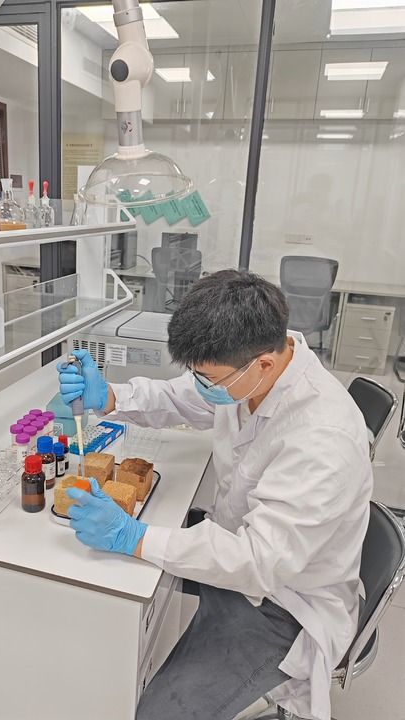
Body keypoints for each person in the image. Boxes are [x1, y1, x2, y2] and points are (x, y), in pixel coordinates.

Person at [57, 269, 372, 720]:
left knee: (158, 716)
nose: (202, 384)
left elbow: (258, 562)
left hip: (282, 606)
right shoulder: (250, 372)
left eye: (208, 377)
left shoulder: (323, 438)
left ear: (263, 364)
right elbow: (181, 398)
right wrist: (109, 396)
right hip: (235, 550)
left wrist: (133, 536)